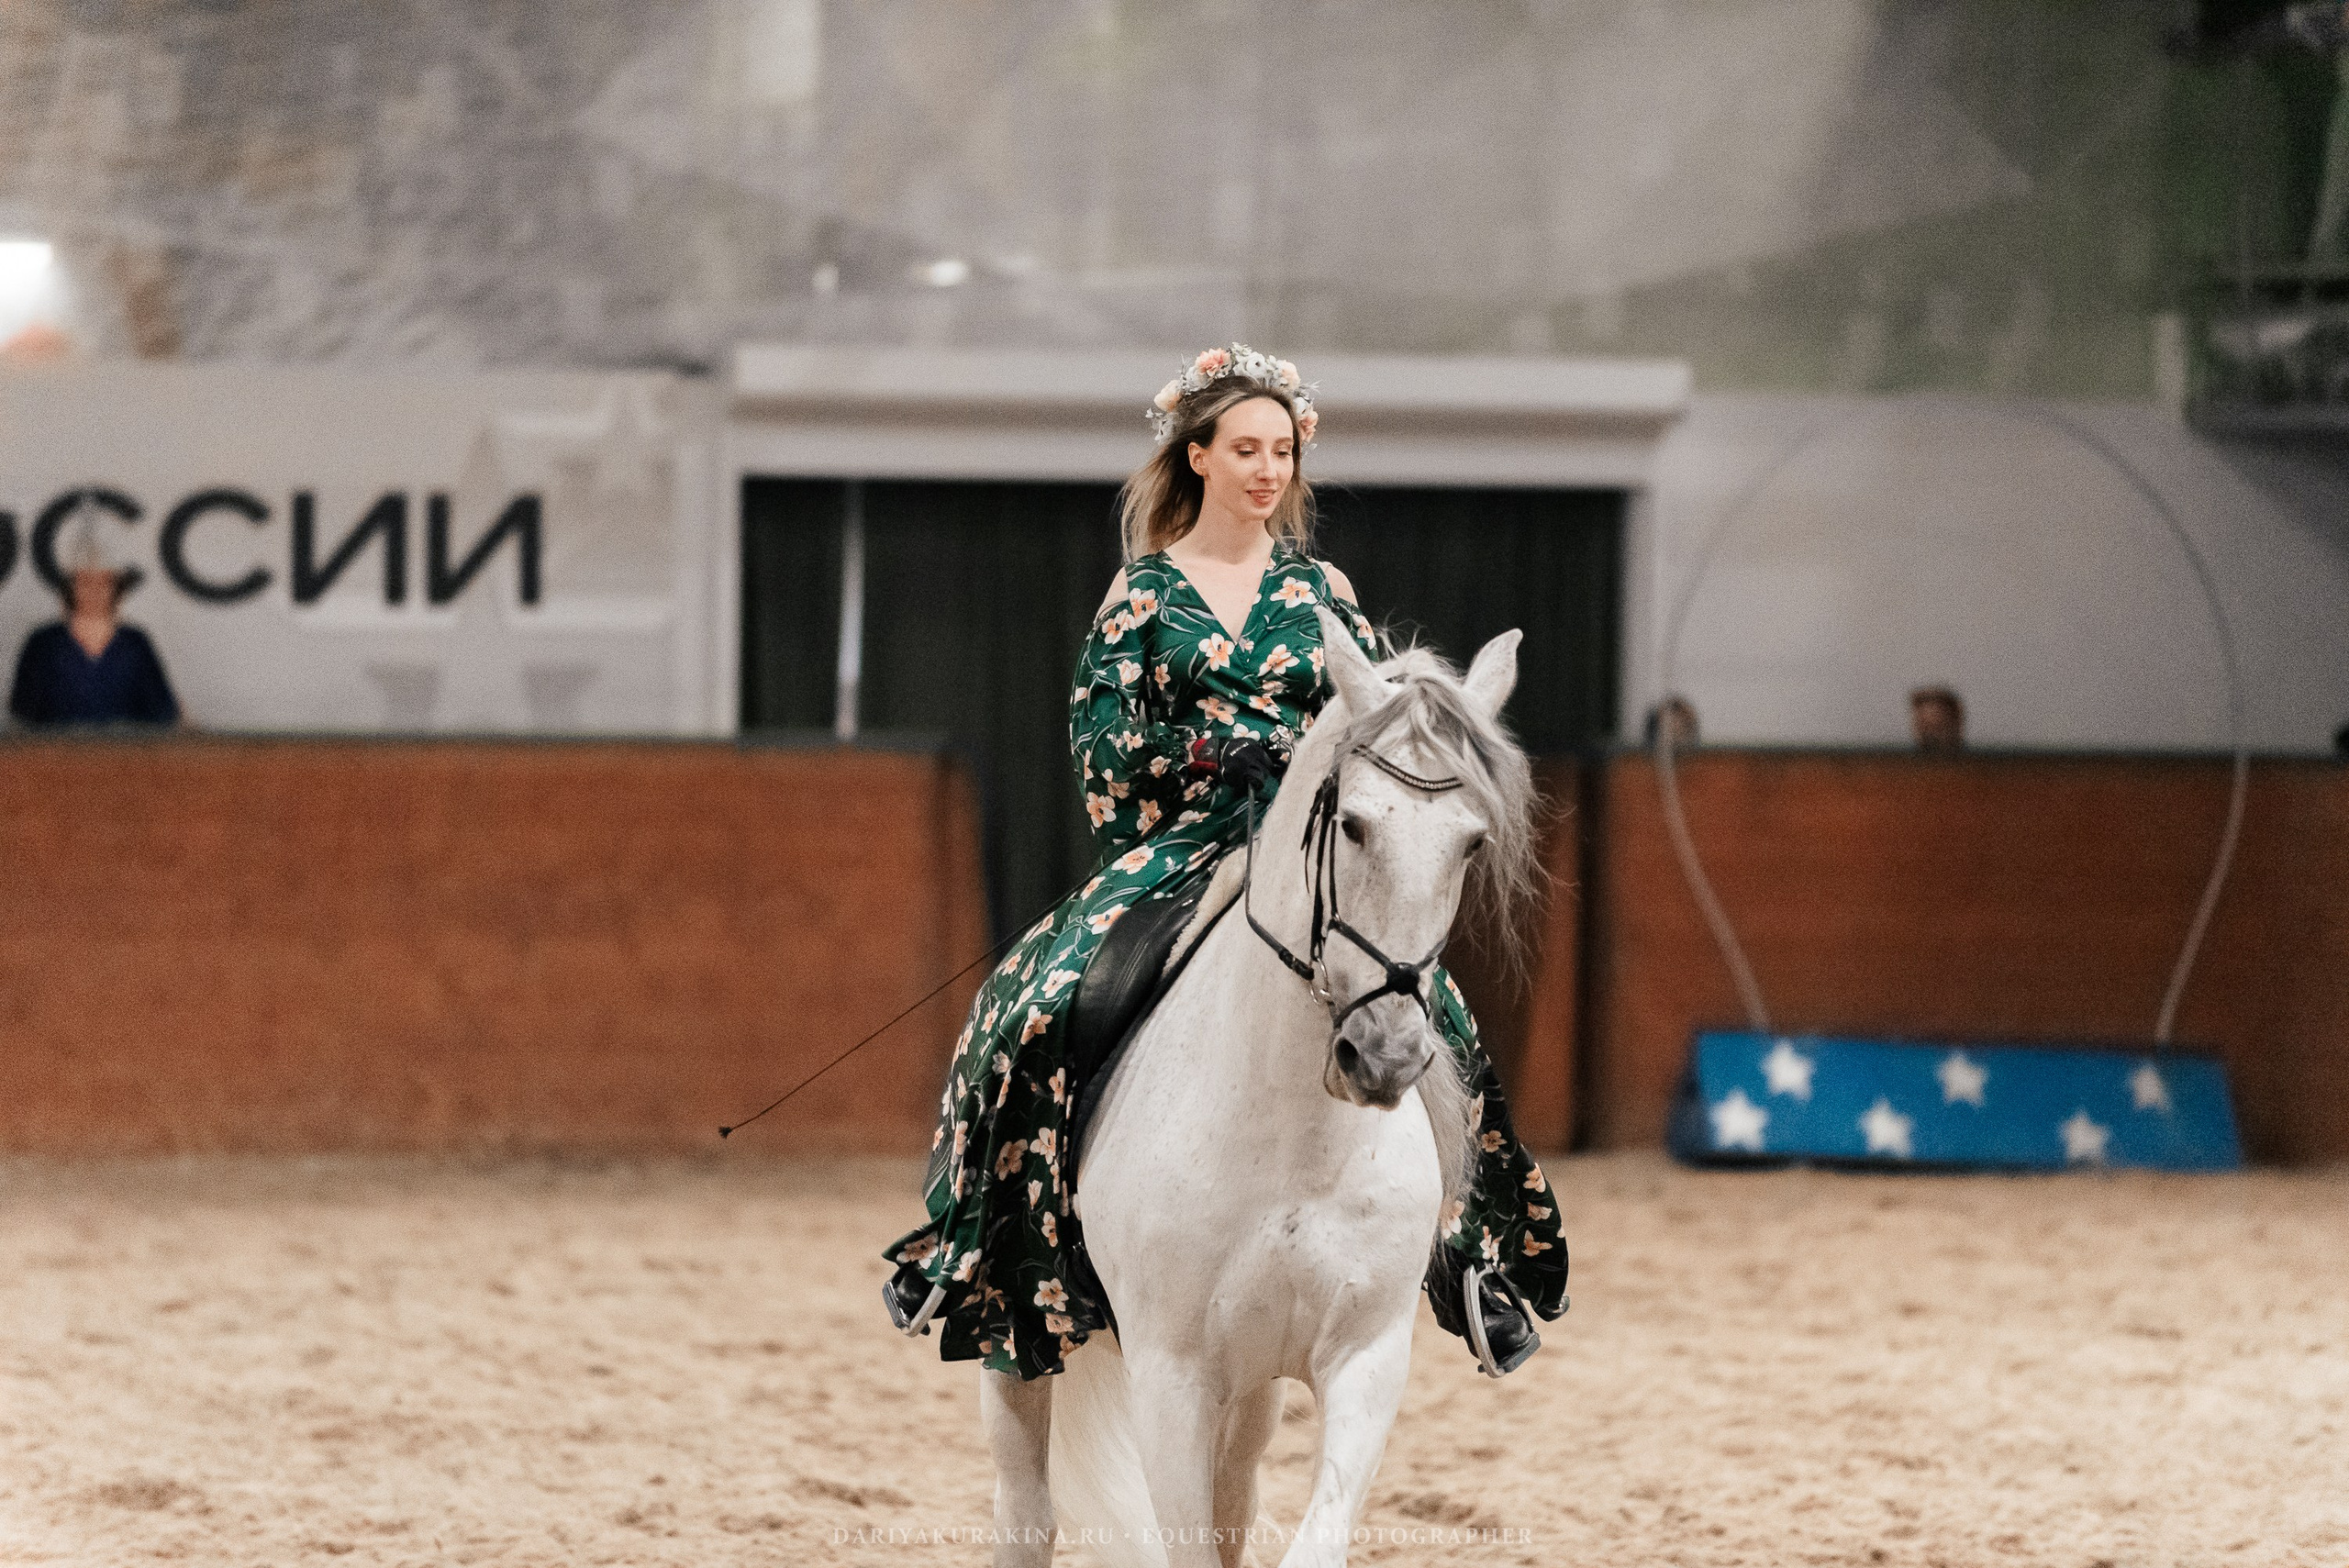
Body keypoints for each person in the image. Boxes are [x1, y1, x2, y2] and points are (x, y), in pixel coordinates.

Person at [881, 345, 1568, 1382]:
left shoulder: (1323, 588)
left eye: (1282, 451)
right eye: (1246, 449)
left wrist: (1312, 766)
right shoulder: (1143, 592)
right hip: (1179, 844)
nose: (1267, 470)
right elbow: (1100, 744)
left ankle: (1475, 1260)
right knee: (1033, 1000)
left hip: (1309, 847)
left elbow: (1374, 723)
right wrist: (1203, 755)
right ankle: (969, 1247)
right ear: (1197, 455)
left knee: (1444, 1023)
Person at [7, 519, 180, 729]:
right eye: (86, 582)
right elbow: (23, 714)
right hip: (56, 749)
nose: (95, 591)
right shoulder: (44, 643)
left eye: (104, 582)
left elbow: (163, 712)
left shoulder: (135, 643)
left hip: (125, 749)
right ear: (71, 587)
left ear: (116, 588)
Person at [1910, 685, 1964, 754]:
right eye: (1925, 727)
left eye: (1937, 728)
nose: (1930, 735)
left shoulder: (1973, 759)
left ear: (1956, 724)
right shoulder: (1905, 758)